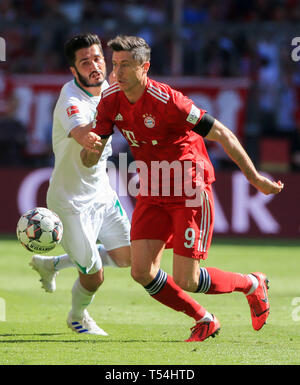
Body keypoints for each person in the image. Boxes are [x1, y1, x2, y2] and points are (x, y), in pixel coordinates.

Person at [82, 35, 284, 342]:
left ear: (144, 67)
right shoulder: (110, 100)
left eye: (125, 65)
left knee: (187, 279)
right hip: (152, 190)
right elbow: (89, 157)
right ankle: (204, 319)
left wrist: (254, 178)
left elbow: (223, 134)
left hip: (189, 189)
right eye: (115, 64)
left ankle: (252, 284)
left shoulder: (170, 102)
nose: (117, 72)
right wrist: (90, 149)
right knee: (141, 272)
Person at [30, 33, 131, 335]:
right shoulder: (71, 99)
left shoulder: (112, 90)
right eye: (85, 62)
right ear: (74, 71)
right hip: (70, 202)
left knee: (127, 257)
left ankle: (53, 264)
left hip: (101, 192)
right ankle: (77, 316)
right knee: (94, 277)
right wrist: (102, 130)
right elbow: (86, 142)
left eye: (98, 58)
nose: (94, 66)